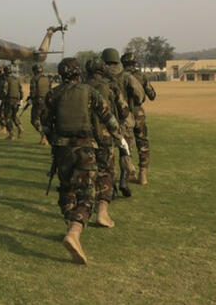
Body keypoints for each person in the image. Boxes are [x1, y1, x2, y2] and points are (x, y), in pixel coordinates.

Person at [43, 57, 120, 264]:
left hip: (61, 151)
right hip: (85, 149)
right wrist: (119, 137)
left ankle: (70, 226)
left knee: (66, 190)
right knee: (87, 194)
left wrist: (55, 142)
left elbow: (44, 124)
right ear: (78, 73)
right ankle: (75, 232)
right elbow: (108, 117)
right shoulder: (89, 92)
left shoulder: (53, 94)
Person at [85, 57, 129, 227]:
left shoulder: (80, 87)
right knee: (106, 172)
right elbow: (123, 111)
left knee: (87, 172)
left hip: (84, 136)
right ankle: (102, 212)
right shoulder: (110, 86)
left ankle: (83, 211)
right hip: (105, 136)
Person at [101, 48, 145, 197]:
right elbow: (140, 95)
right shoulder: (127, 76)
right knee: (125, 151)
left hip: (106, 121)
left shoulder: (100, 79)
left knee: (109, 154)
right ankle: (124, 181)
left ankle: (111, 186)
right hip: (125, 118)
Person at [121, 52, 156, 185]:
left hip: (125, 114)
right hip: (138, 113)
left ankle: (130, 172)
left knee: (126, 145)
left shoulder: (119, 77)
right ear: (135, 63)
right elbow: (152, 95)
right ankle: (143, 175)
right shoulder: (141, 76)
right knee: (143, 143)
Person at [29, 64, 52, 145]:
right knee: (45, 121)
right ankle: (46, 138)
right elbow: (50, 90)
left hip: (38, 102)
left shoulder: (34, 79)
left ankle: (43, 136)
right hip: (47, 102)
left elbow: (33, 93)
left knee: (34, 120)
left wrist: (30, 99)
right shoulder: (47, 78)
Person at [3, 65, 25, 140]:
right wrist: (20, 99)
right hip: (17, 101)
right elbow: (21, 91)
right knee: (14, 116)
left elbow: (4, 92)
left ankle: (11, 134)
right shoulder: (17, 79)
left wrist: (1, 100)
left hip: (9, 101)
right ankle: (20, 128)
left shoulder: (7, 80)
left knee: (7, 118)